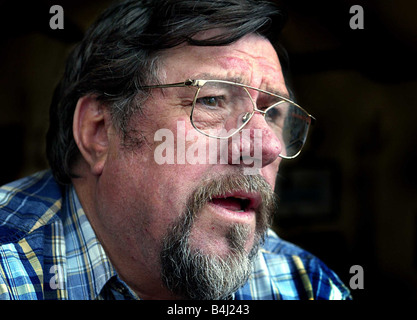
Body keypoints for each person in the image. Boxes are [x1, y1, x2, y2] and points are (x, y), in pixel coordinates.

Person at [0, 0, 351, 300]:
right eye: (213, 100)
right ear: (99, 132)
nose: (268, 146)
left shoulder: (303, 284)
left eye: (273, 114)